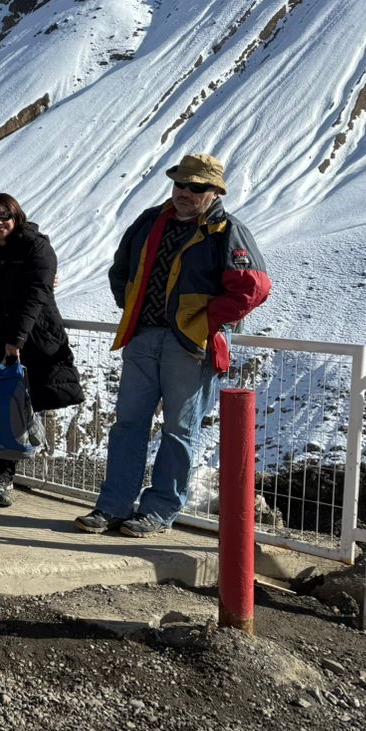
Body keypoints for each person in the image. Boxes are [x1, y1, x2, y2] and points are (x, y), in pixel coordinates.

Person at [79, 153, 272, 537]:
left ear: (215, 191)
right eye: (180, 183)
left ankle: (159, 509)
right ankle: (113, 506)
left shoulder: (226, 230)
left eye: (196, 186)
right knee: (127, 425)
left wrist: (204, 321)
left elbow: (254, 287)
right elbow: (121, 269)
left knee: (178, 430)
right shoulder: (151, 221)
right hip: (143, 337)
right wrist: (133, 307)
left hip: (191, 346)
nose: (185, 192)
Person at [0, 192, 84, 505]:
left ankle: (2, 477)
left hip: (30, 341)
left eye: (3, 215)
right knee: (1, 407)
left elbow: (37, 294)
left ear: (16, 215)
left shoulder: (36, 246)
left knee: (16, 409)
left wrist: (15, 341)